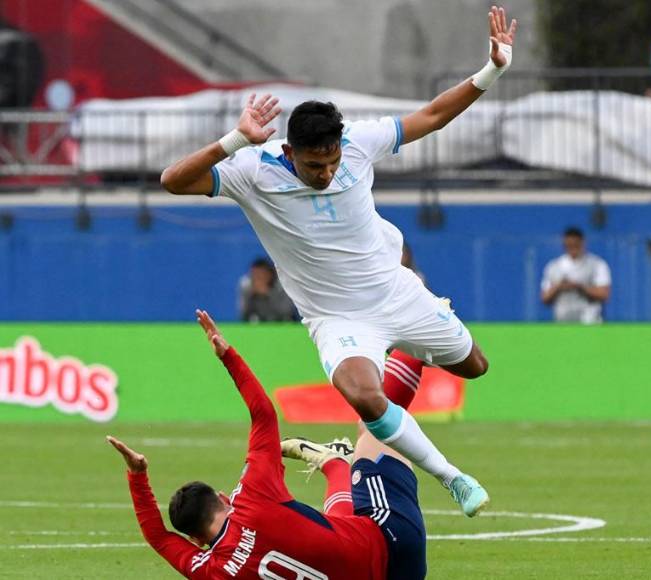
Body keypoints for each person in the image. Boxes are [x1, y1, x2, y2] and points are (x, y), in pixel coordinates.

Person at [159, 6, 519, 517]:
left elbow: (433, 115)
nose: (325, 172)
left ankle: (409, 341)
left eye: (331, 162)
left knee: (475, 367)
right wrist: (236, 139)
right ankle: (454, 478)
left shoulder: (358, 144)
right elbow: (172, 181)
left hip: (396, 290)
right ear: (289, 150)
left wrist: (493, 71)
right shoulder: (252, 173)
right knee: (364, 398)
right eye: (313, 165)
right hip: (337, 318)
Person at [107, 310, 429, 579]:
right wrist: (227, 356)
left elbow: (159, 538)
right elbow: (263, 415)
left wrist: (137, 477)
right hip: (394, 544)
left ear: (194, 540)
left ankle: (335, 466)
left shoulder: (214, 572)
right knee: (372, 426)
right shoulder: (252, 495)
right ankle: (425, 325)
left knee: (335, 526)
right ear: (222, 498)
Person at [541, 227, 611, 324]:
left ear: (583, 243)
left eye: (576, 245)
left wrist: (580, 287)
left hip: (590, 323)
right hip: (563, 324)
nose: (573, 248)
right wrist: (559, 286)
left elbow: (604, 294)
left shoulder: (597, 264)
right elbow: (545, 298)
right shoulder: (554, 266)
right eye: (569, 245)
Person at [237, 258, 297, 322]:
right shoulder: (246, 286)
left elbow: (287, 311)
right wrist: (251, 295)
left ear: (270, 274)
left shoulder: (282, 284)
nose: (258, 278)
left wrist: (268, 293)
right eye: (255, 275)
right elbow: (243, 314)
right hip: (258, 322)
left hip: (281, 321)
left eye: (261, 275)